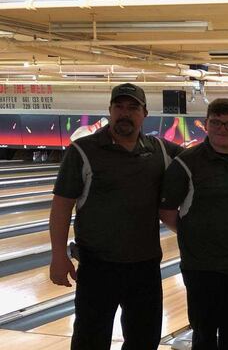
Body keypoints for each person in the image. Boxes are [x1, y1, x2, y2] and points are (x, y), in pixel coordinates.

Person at [49, 83, 182, 350]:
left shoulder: (160, 150)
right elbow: (62, 206)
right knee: (90, 340)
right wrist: (58, 256)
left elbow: (202, 158)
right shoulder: (83, 151)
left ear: (145, 113)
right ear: (109, 111)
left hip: (144, 266)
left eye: (133, 107)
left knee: (144, 341)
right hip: (97, 266)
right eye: (119, 106)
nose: (125, 113)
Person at [159, 98, 228, 350]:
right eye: (215, 122)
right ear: (206, 124)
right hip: (201, 267)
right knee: (203, 334)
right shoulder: (187, 162)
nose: (222, 129)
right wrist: (193, 235)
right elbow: (166, 210)